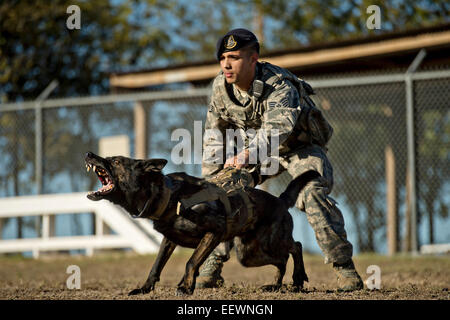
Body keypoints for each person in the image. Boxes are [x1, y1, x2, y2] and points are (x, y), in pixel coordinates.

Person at [197, 28, 363, 292]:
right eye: (223, 57)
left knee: (312, 194)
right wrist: (210, 181)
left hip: (298, 148)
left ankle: (344, 269)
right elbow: (214, 137)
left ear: (253, 59)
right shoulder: (220, 87)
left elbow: (276, 132)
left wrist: (245, 155)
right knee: (222, 195)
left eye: (235, 57)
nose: (226, 64)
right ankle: (211, 264)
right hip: (254, 152)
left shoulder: (279, 84)